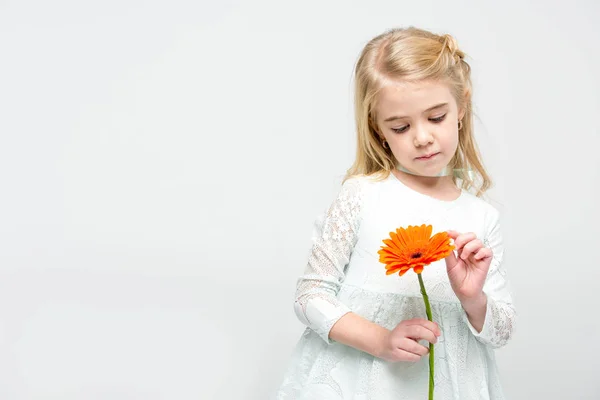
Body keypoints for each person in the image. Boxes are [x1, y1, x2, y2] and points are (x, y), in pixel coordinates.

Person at [274, 26, 516, 400]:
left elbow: (500, 332)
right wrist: (381, 339)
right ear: (378, 128)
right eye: (401, 126)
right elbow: (310, 294)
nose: (421, 137)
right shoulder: (363, 195)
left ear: (461, 108)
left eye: (436, 117)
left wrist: (473, 299)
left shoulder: (481, 217)